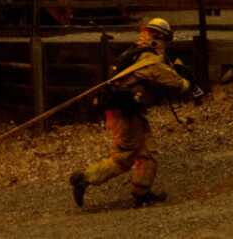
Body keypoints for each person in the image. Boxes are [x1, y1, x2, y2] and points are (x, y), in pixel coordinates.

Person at [69, 17, 191, 208]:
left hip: (129, 111)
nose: (165, 45)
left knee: (147, 152)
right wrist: (186, 81)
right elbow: (175, 82)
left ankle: (142, 193)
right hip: (125, 113)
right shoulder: (149, 60)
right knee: (124, 158)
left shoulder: (134, 53)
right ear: (159, 37)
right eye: (165, 40)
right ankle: (84, 178)